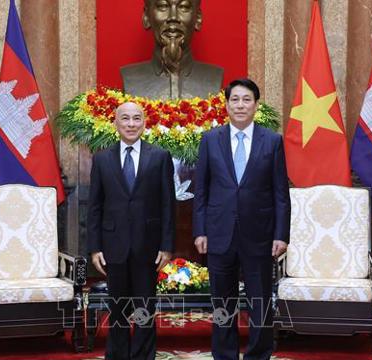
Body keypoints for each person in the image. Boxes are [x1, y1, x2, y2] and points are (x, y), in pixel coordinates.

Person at [193, 78, 291, 359]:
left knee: (259, 301)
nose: (240, 105)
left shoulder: (271, 141)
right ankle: (224, 353)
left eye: (246, 99)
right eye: (234, 99)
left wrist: (281, 235)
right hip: (219, 233)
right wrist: (200, 231)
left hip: (259, 234)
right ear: (226, 105)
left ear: (256, 105)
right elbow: (201, 191)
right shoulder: (210, 140)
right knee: (222, 301)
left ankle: (258, 353)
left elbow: (280, 194)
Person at [87, 102, 176, 360]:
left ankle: (143, 355)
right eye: (125, 119)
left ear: (144, 122)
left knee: (145, 309)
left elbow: (168, 204)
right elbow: (94, 207)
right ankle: (117, 355)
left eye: (136, 119)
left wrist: (167, 246)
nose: (131, 124)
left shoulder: (159, 156)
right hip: (113, 246)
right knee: (118, 309)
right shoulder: (102, 159)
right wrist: (95, 249)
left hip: (147, 246)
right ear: (115, 123)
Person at [120, 0, 223, 99]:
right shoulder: (130, 77)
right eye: (163, 6)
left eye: (184, 7)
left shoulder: (214, 77)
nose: (173, 17)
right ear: (146, 17)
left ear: (198, 18)